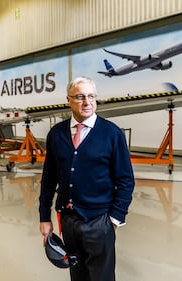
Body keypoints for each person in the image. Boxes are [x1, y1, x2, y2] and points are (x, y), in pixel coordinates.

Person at [39, 76, 135, 281]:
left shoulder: (112, 134)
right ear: (68, 100)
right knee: (77, 275)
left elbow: (126, 180)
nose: (87, 102)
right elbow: (48, 179)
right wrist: (44, 217)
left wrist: (114, 220)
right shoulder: (56, 134)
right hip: (68, 221)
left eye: (91, 96)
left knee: (102, 277)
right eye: (80, 97)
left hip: (99, 221)